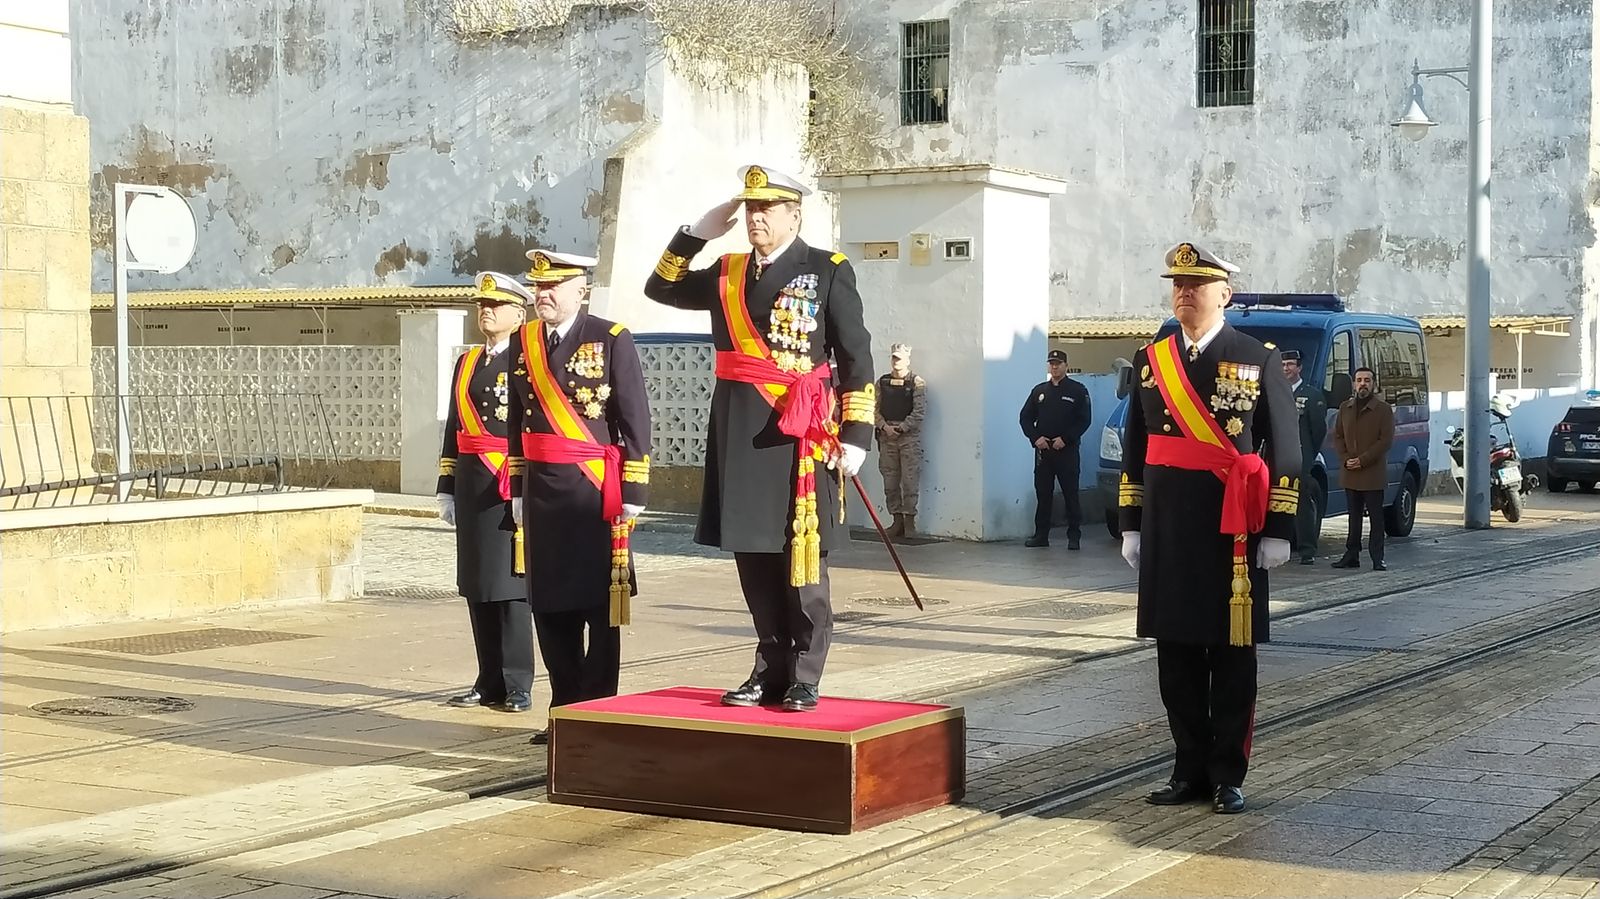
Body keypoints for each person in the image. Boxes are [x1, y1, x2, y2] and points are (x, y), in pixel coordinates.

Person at [643, 163, 875, 712]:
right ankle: (768, 666)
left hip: (800, 433)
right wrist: (696, 233)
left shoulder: (827, 269)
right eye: (750, 209)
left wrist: (857, 434)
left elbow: (856, 356)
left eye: (767, 209)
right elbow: (661, 287)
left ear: (795, 215)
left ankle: (805, 673)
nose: (756, 219)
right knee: (753, 557)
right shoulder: (727, 272)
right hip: (742, 429)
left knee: (803, 562)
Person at [1119, 242, 1300, 815]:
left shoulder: (1256, 356)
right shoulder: (1152, 359)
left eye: (1196, 285)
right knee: (1174, 656)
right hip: (1169, 526)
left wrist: (1280, 526)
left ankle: (1227, 774)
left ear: (1225, 294)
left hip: (1232, 530)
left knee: (1230, 658)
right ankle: (1188, 770)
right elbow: (1136, 447)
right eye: (1178, 284)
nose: (1184, 292)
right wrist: (1132, 523)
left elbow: (1287, 449)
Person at [507, 249, 652, 744]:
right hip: (542, 493)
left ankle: (597, 709)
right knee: (549, 607)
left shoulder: (610, 338)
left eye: (553, 286)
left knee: (598, 606)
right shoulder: (524, 340)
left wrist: (633, 489)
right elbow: (516, 423)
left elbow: (634, 418)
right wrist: (517, 487)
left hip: (594, 492)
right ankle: (564, 709)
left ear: (580, 290)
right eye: (538, 286)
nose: (542, 295)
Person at [437, 272, 535, 713]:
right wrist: (446, 486)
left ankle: (518, 682)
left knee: (510, 588)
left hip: (508, 481)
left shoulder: (528, 359)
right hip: (473, 482)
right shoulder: (468, 362)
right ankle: (488, 679)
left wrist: (526, 487)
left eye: (496, 306)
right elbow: (454, 428)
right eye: (482, 305)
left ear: (519, 313)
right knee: (477, 585)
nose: (486, 312)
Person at [1019, 349, 1092, 549]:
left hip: (1066, 451)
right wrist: (1035, 438)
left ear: (1066, 366)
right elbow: (1025, 417)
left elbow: (1084, 420)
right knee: (1043, 494)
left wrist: (1066, 439)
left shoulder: (1078, 390)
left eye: (1058, 364)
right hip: (1044, 452)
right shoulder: (1039, 391)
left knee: (1070, 493)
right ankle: (1041, 535)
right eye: (1051, 363)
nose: (1054, 367)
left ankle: (1074, 536)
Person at [1331, 366, 1394, 572]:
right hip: (1350, 471)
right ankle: (1352, 555)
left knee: (1376, 517)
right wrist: (1346, 459)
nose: (1362, 384)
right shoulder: (1345, 408)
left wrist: (1363, 460)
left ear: (1373, 384)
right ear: (1353, 384)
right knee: (1354, 516)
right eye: (1359, 380)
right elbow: (1338, 436)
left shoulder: (1383, 409)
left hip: (1372, 473)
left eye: (1367, 380)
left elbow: (1385, 441)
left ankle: (1377, 557)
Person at [1282, 350, 1328, 565]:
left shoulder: (1311, 395)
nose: (1286, 368)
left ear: (1299, 368)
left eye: (1291, 364)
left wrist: (1308, 454)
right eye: (1283, 365)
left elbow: (1318, 430)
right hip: (1277, 457)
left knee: (1301, 504)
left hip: (1300, 457)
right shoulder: (1275, 392)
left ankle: (1307, 549)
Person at [876, 343, 927, 538]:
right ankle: (896, 520)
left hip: (908, 438)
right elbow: (873, 408)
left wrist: (902, 428)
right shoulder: (882, 382)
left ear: (907, 360)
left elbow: (919, 411)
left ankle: (909, 522)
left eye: (899, 358)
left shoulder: (916, 383)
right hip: (887, 436)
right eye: (894, 357)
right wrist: (884, 427)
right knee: (890, 480)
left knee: (910, 480)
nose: (896, 361)